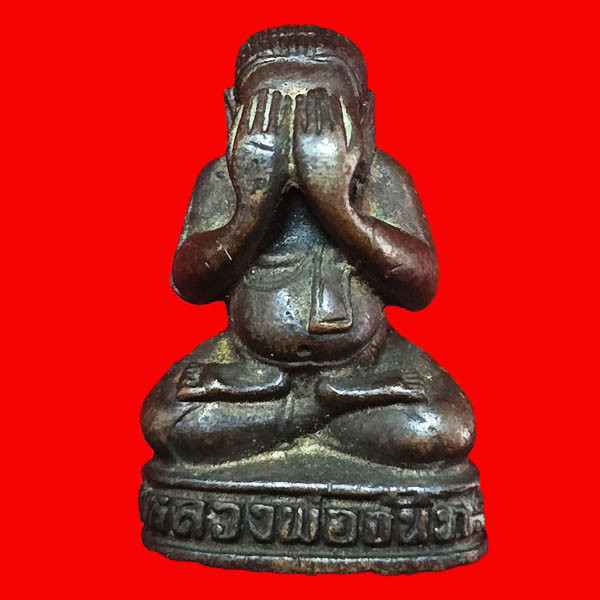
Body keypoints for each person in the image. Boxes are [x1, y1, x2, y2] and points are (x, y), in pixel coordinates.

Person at [142, 25, 474, 468]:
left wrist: (338, 207)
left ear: (364, 116)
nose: (297, 136)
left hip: (369, 363)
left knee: (439, 428)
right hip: (250, 367)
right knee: (169, 422)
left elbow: (420, 288)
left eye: (321, 114)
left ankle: (298, 417)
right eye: (270, 113)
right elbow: (191, 284)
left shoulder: (381, 177)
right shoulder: (222, 180)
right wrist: (252, 205)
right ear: (233, 115)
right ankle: (321, 410)